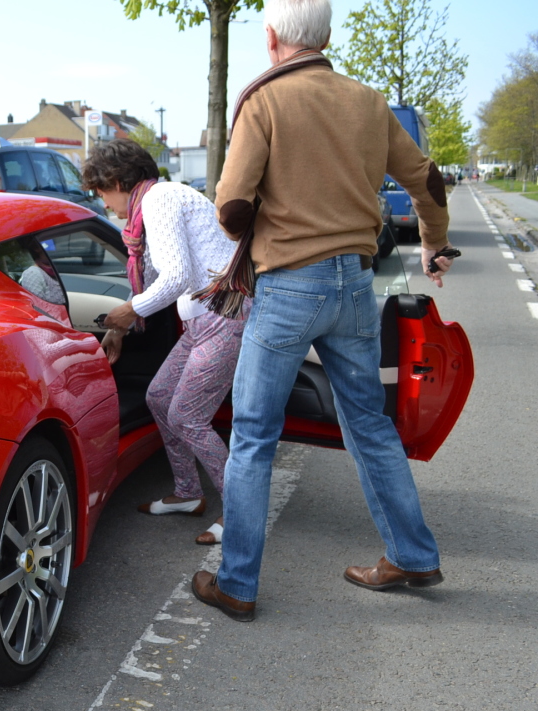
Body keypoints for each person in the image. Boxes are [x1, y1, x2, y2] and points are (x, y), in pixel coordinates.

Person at [192, 0, 455, 622]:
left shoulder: (264, 102)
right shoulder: (367, 101)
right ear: (326, 35)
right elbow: (428, 179)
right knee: (369, 423)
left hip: (289, 288)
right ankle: (412, 556)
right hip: (355, 284)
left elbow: (231, 207)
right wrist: (434, 243)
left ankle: (237, 583)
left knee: (254, 435)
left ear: (273, 36)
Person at [82, 139, 242, 545]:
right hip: (203, 322)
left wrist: (128, 311)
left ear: (117, 181)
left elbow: (173, 279)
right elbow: (159, 279)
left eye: (101, 192)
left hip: (225, 318)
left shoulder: (160, 199)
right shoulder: (149, 208)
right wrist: (119, 327)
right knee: (159, 397)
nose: (104, 204)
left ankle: (240, 512)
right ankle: (188, 493)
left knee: (188, 415)